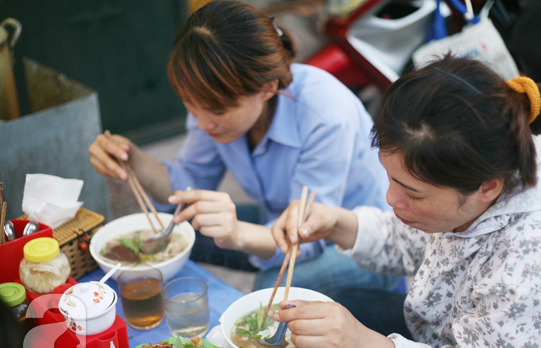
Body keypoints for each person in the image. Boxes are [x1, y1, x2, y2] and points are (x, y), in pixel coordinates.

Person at [271, 54, 541, 348]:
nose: (390, 198)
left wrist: (362, 344)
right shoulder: (472, 176)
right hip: (452, 337)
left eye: (411, 192)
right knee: (333, 308)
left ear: (488, 187)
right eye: (390, 178)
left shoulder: (537, 254)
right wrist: (335, 222)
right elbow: (408, 241)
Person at [88, 0, 399, 293]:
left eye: (218, 111)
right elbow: (186, 186)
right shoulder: (209, 96)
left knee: (267, 291)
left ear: (268, 88)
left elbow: (304, 239)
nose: (203, 122)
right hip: (280, 222)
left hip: (359, 246)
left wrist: (236, 233)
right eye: (191, 106)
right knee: (170, 232)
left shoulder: (326, 114)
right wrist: (131, 158)